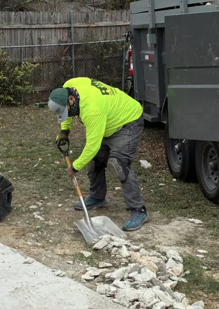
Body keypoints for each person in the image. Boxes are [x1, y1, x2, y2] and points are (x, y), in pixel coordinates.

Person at [47, 77, 148, 231]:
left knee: (118, 164)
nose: (66, 114)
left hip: (128, 121)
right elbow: (66, 115)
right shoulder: (68, 86)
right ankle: (97, 197)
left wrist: (74, 167)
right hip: (107, 120)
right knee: (94, 161)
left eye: (66, 110)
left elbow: (92, 146)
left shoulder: (92, 109)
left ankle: (138, 210)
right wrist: (64, 131)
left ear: (72, 99)